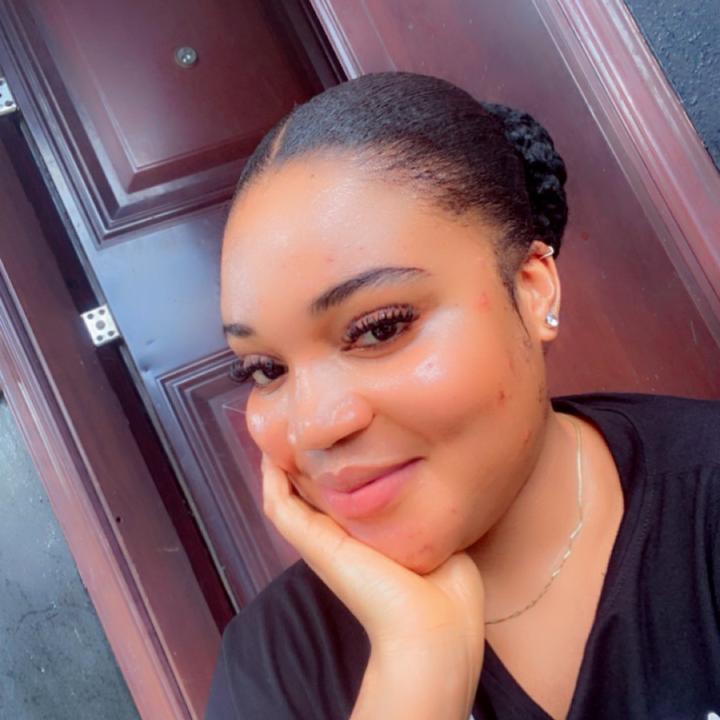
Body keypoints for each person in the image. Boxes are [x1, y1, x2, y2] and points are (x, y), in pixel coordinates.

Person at [207, 72, 720, 719]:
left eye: (380, 328)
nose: (312, 426)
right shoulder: (276, 663)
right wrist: (416, 667)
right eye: (265, 370)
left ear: (532, 289)